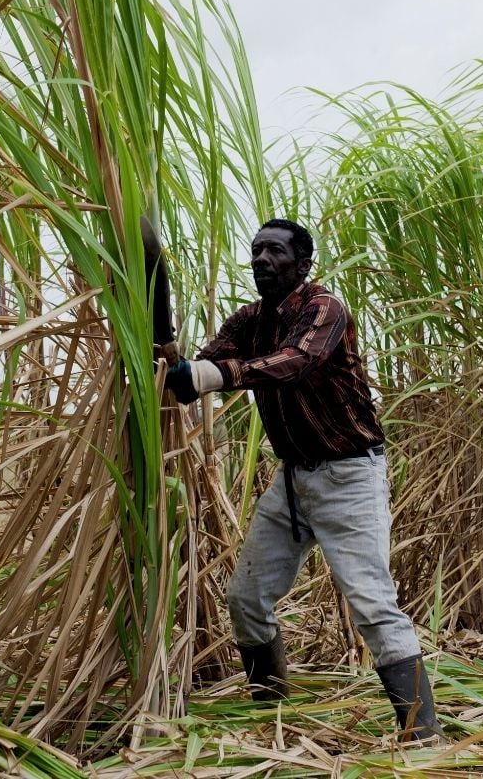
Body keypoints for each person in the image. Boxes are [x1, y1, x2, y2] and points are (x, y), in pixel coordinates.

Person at [164, 218, 444, 741]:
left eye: (275, 251)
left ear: (303, 262)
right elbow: (212, 363)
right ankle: (270, 714)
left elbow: (297, 362)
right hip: (292, 484)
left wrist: (211, 377)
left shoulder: (324, 309)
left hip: (350, 479)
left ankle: (423, 734)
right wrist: (179, 368)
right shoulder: (249, 320)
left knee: (372, 604)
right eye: (255, 251)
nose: (262, 260)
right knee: (245, 596)